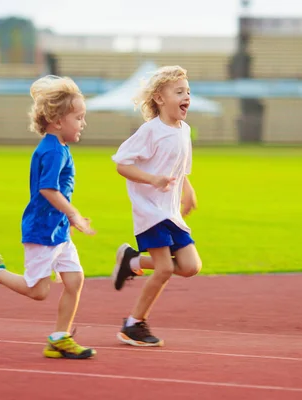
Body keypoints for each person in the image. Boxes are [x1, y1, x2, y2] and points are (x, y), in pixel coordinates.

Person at [0, 75, 96, 359]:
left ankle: (60, 337)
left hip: (57, 230)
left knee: (74, 280)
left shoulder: (59, 148)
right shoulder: (52, 151)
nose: (83, 123)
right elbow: (48, 189)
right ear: (58, 121)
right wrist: (74, 214)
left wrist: (67, 220)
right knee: (38, 291)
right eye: (79, 117)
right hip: (41, 231)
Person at [111, 65, 202, 347]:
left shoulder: (184, 131)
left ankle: (132, 261)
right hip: (150, 209)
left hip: (170, 211)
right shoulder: (150, 131)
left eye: (188, 91)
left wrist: (188, 191)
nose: (186, 96)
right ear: (160, 99)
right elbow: (122, 164)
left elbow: (180, 169)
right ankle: (133, 324)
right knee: (163, 269)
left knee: (190, 266)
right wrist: (152, 179)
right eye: (179, 92)